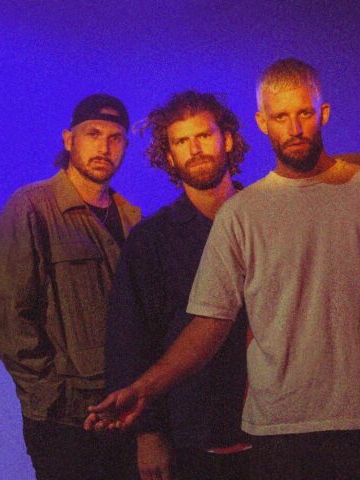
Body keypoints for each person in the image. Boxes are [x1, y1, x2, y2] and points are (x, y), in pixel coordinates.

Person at [85, 58, 360, 479]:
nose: (295, 127)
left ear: (323, 113)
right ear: (263, 122)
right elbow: (206, 326)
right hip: (274, 429)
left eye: (304, 113)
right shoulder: (239, 214)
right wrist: (143, 392)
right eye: (281, 116)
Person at [0, 94, 141, 479]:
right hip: (64, 422)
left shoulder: (132, 218)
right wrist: (52, 396)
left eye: (115, 138)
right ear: (69, 140)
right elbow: (4, 316)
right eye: (93, 134)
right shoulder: (31, 207)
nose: (104, 147)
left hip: (123, 412)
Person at [105, 91, 251, 480]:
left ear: (227, 139)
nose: (195, 149)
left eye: (203, 135)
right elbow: (130, 340)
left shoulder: (267, 217)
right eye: (181, 141)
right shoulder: (151, 240)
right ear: (169, 156)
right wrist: (148, 433)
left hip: (273, 427)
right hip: (191, 433)